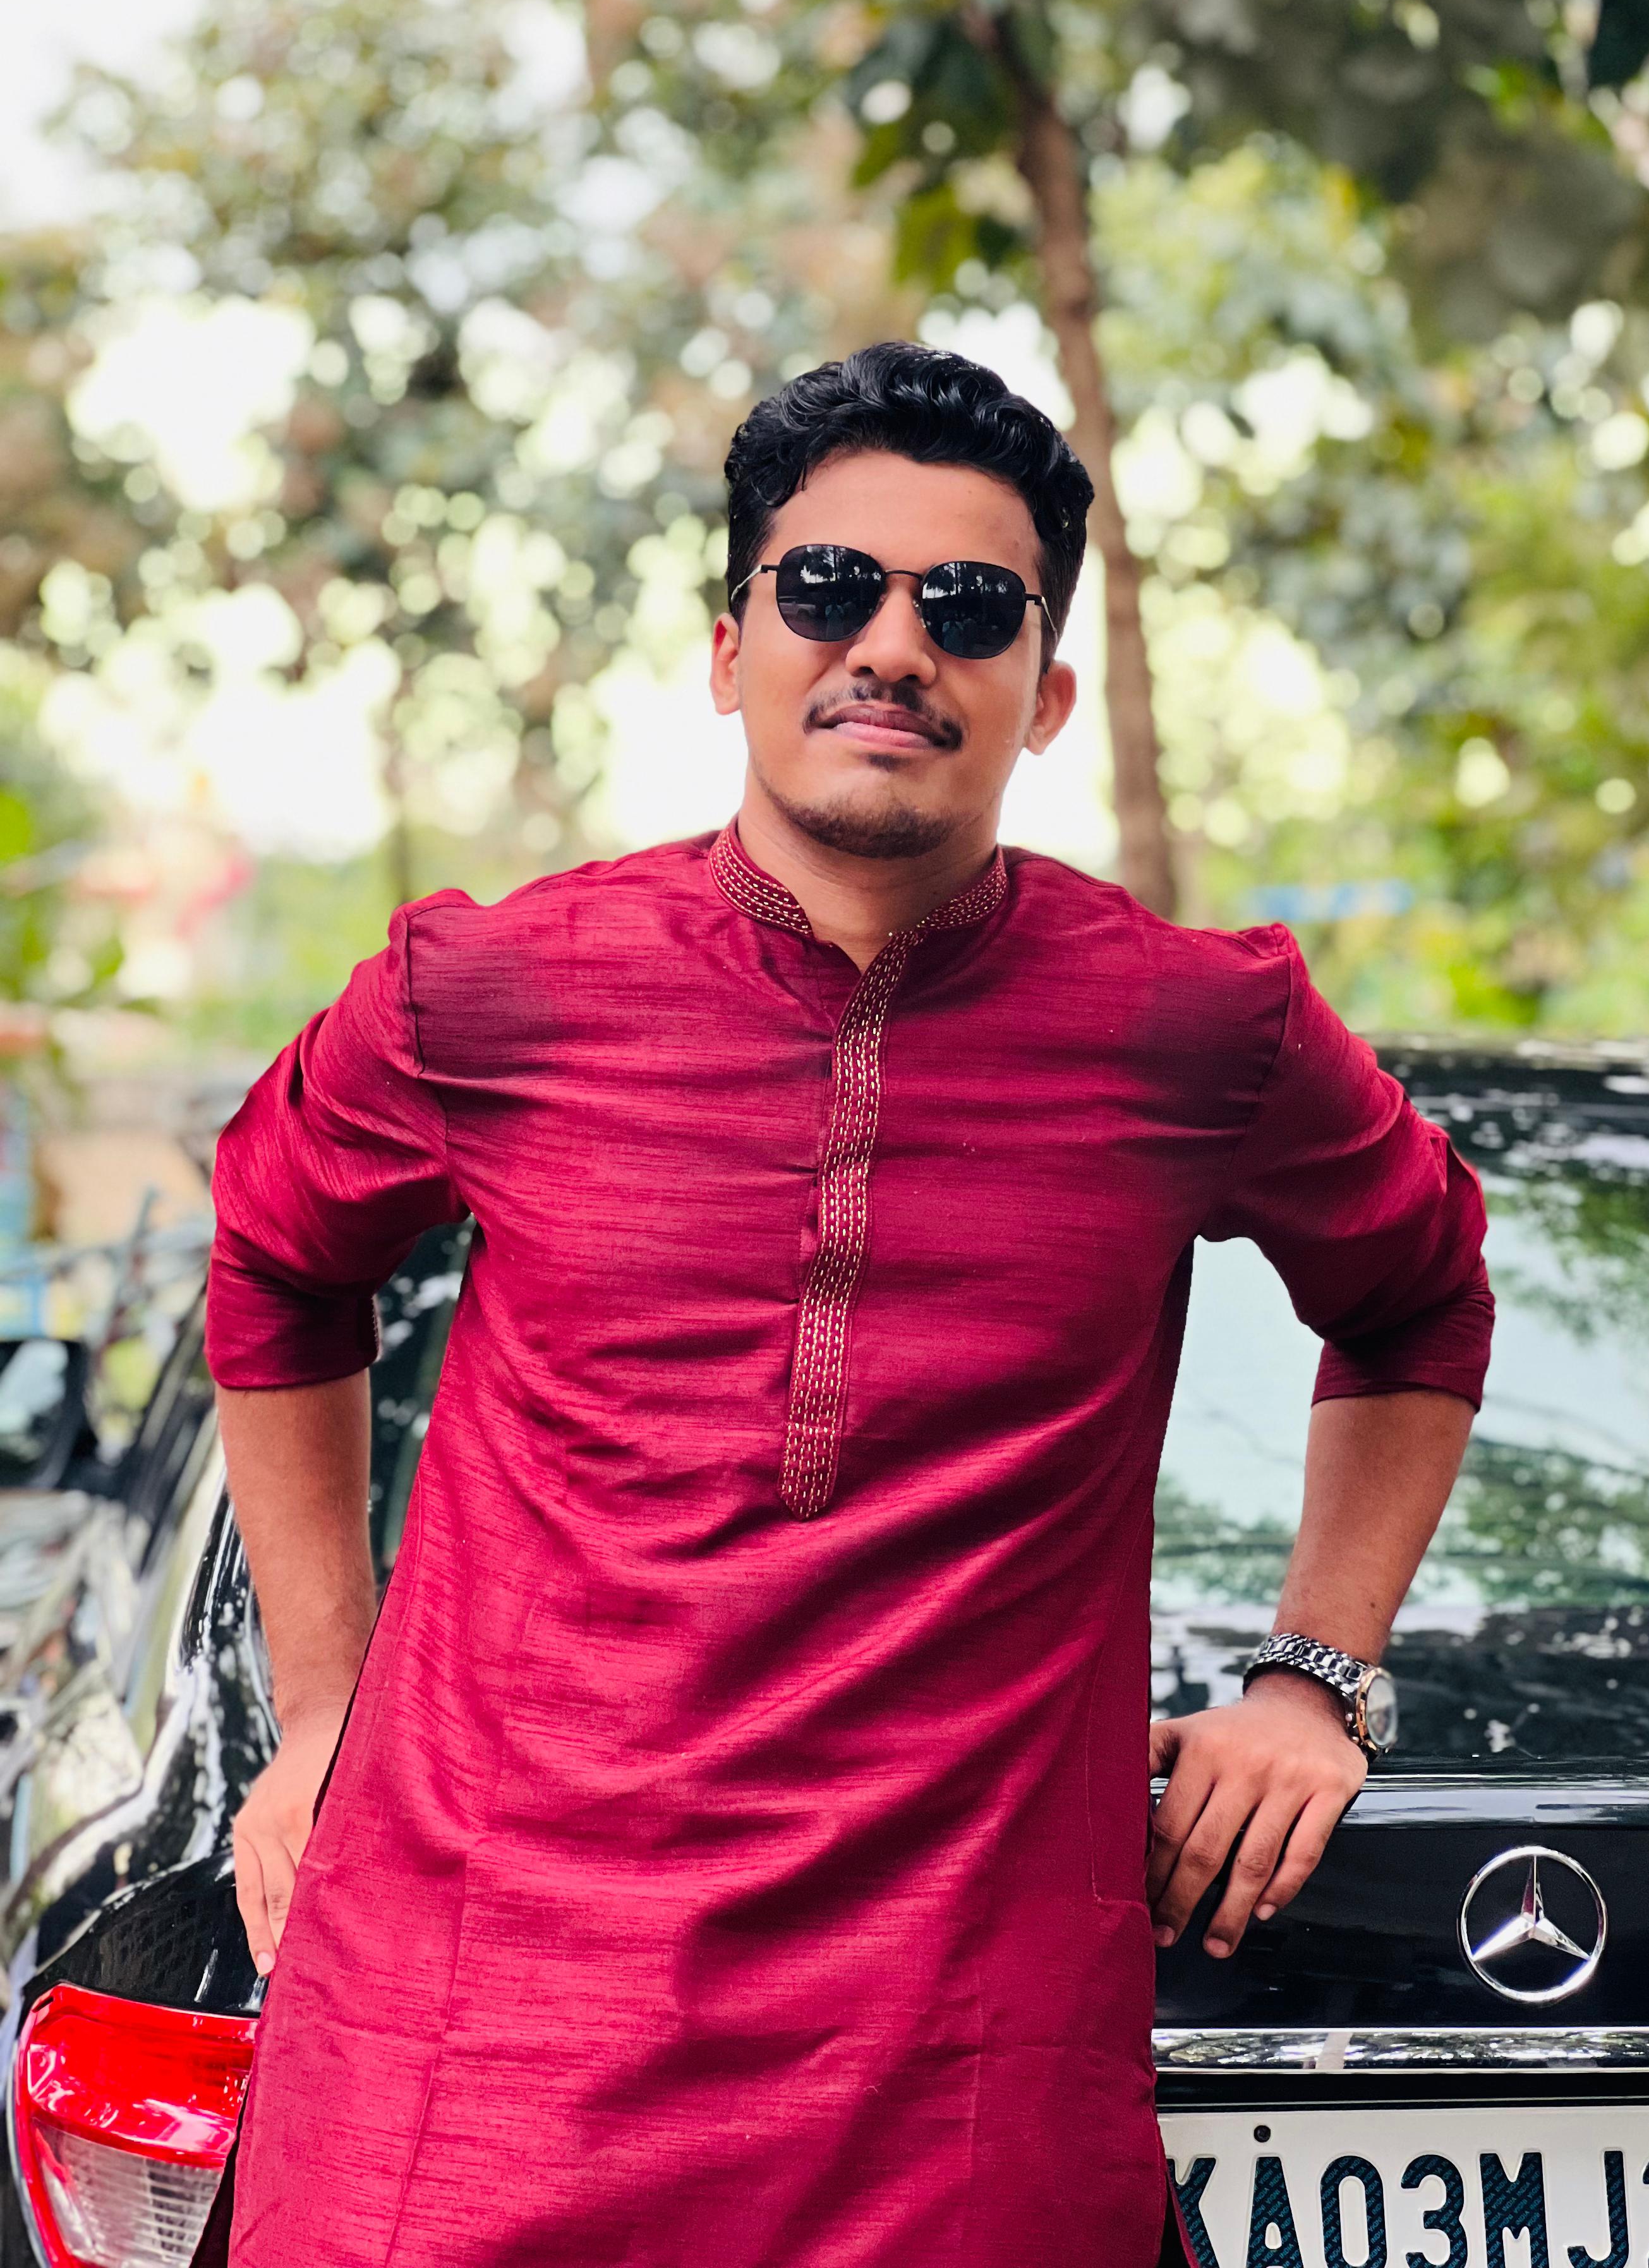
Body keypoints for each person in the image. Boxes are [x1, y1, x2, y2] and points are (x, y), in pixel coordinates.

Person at [202, 342, 1492, 2268]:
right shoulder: (489, 997)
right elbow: (274, 1261)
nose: (892, 645)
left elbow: (1418, 1295)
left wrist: (1317, 1680)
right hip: (475, 2071)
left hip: (953, 2104)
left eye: (967, 608)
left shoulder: (1194, 1033)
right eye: (829, 589)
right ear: (733, 652)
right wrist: (324, 1706)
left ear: (1046, 696)